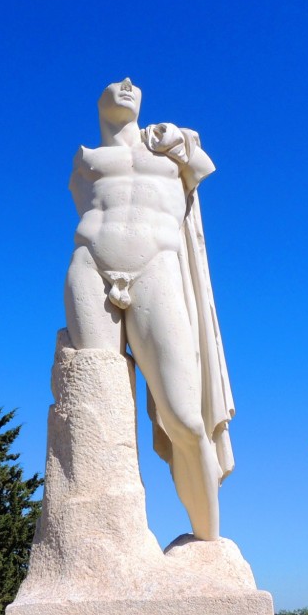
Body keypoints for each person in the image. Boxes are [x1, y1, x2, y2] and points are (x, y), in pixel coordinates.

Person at [64, 78, 235, 541]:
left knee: (183, 417)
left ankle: (207, 544)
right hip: (90, 264)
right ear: (97, 101)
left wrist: (178, 142)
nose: (127, 84)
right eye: (113, 84)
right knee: (99, 402)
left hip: (156, 266)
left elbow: (202, 168)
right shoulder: (85, 160)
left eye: (134, 84)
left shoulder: (169, 144)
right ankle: (106, 543)